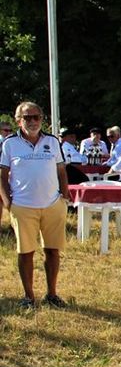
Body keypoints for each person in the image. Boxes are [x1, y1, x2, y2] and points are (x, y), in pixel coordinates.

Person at [0, 102, 70, 309]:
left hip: (52, 205)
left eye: (36, 117)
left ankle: (52, 294)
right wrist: (7, 201)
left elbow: (61, 170)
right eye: (27, 118)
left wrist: (64, 195)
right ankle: (29, 296)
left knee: (53, 251)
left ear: (42, 118)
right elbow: (2, 175)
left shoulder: (52, 141)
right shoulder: (9, 144)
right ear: (18, 120)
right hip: (22, 206)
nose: (32, 121)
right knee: (25, 252)